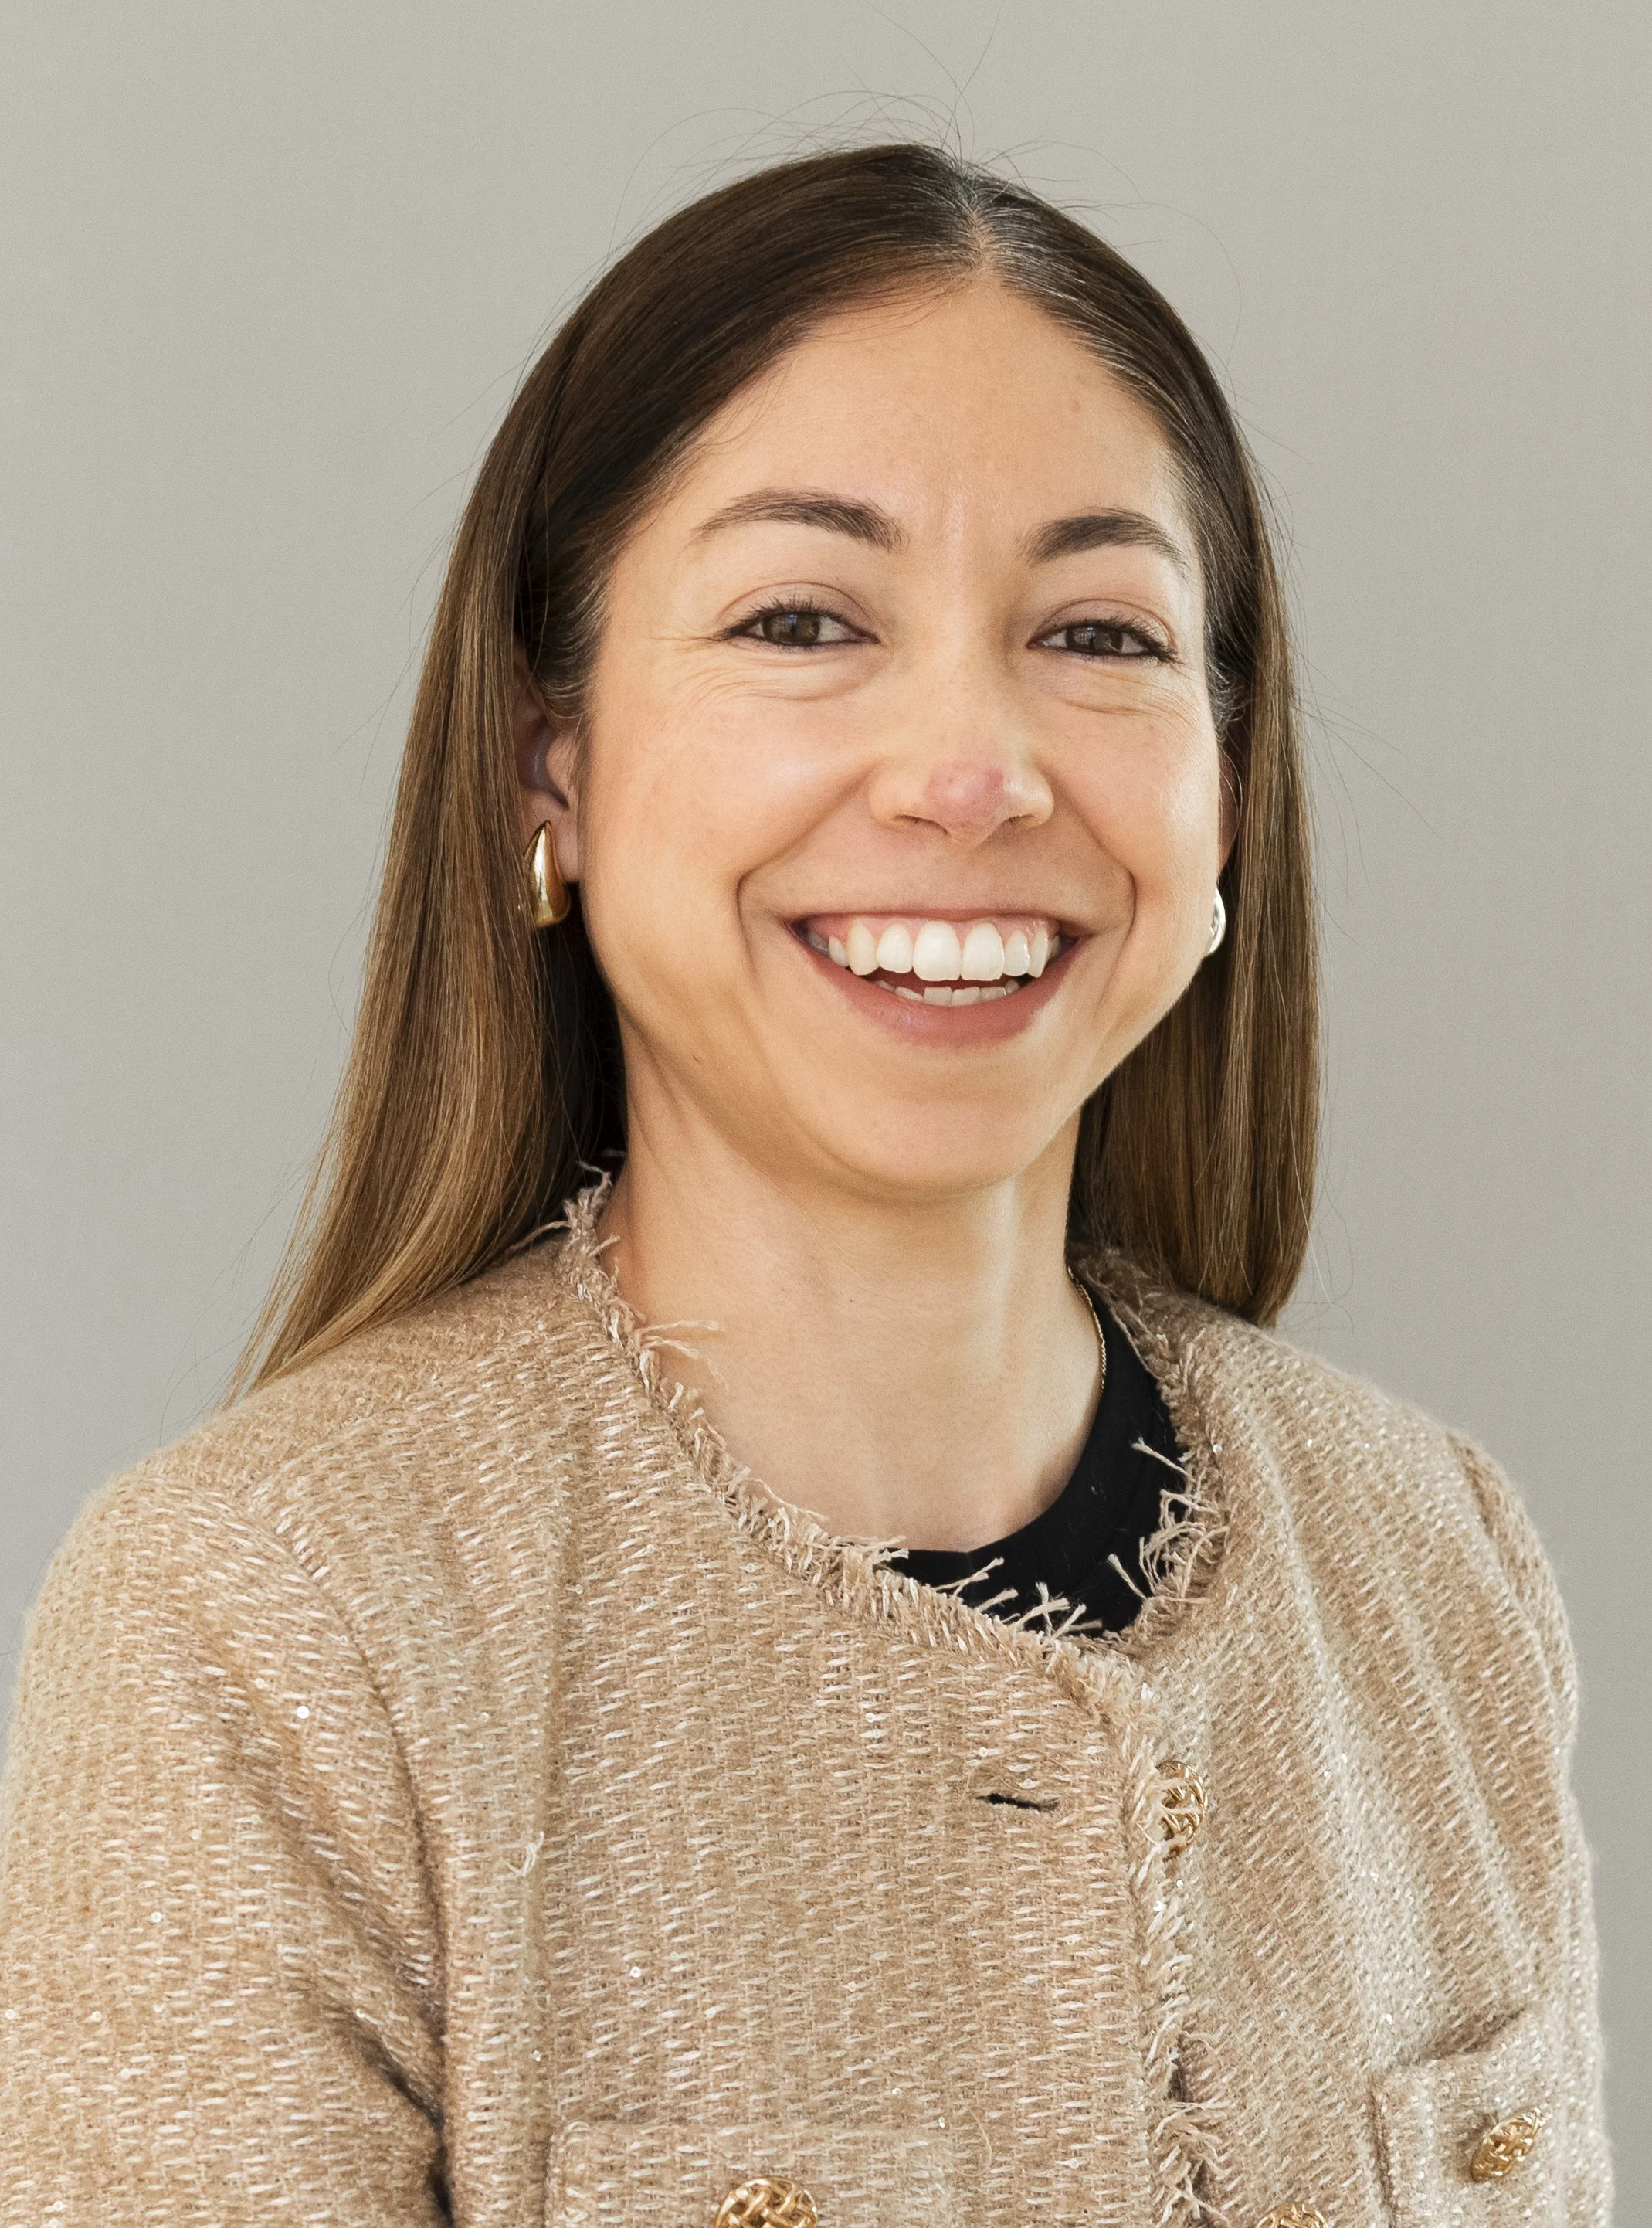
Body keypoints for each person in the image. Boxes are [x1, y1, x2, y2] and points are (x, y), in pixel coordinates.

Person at [0, 143, 1611, 2227]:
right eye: (801, 617)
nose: (973, 768)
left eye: (1099, 632)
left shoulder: (1437, 1571)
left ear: (1226, 788)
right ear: (543, 767)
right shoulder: (268, 1636)